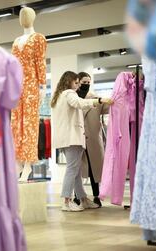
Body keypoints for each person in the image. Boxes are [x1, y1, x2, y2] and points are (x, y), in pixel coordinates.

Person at [51, 71, 113, 212]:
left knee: (76, 170)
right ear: (69, 82)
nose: (78, 85)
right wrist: (99, 100)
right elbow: (79, 103)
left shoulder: (58, 97)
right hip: (73, 138)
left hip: (66, 138)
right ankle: (66, 202)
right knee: (72, 170)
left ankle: (83, 199)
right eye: (77, 82)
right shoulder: (69, 94)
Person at [73, 72, 110, 208]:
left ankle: (96, 196)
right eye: (84, 82)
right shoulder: (72, 98)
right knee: (77, 169)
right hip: (77, 138)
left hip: (93, 138)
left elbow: (109, 108)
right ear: (78, 82)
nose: (87, 85)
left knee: (94, 169)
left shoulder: (95, 98)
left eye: (89, 82)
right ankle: (77, 196)